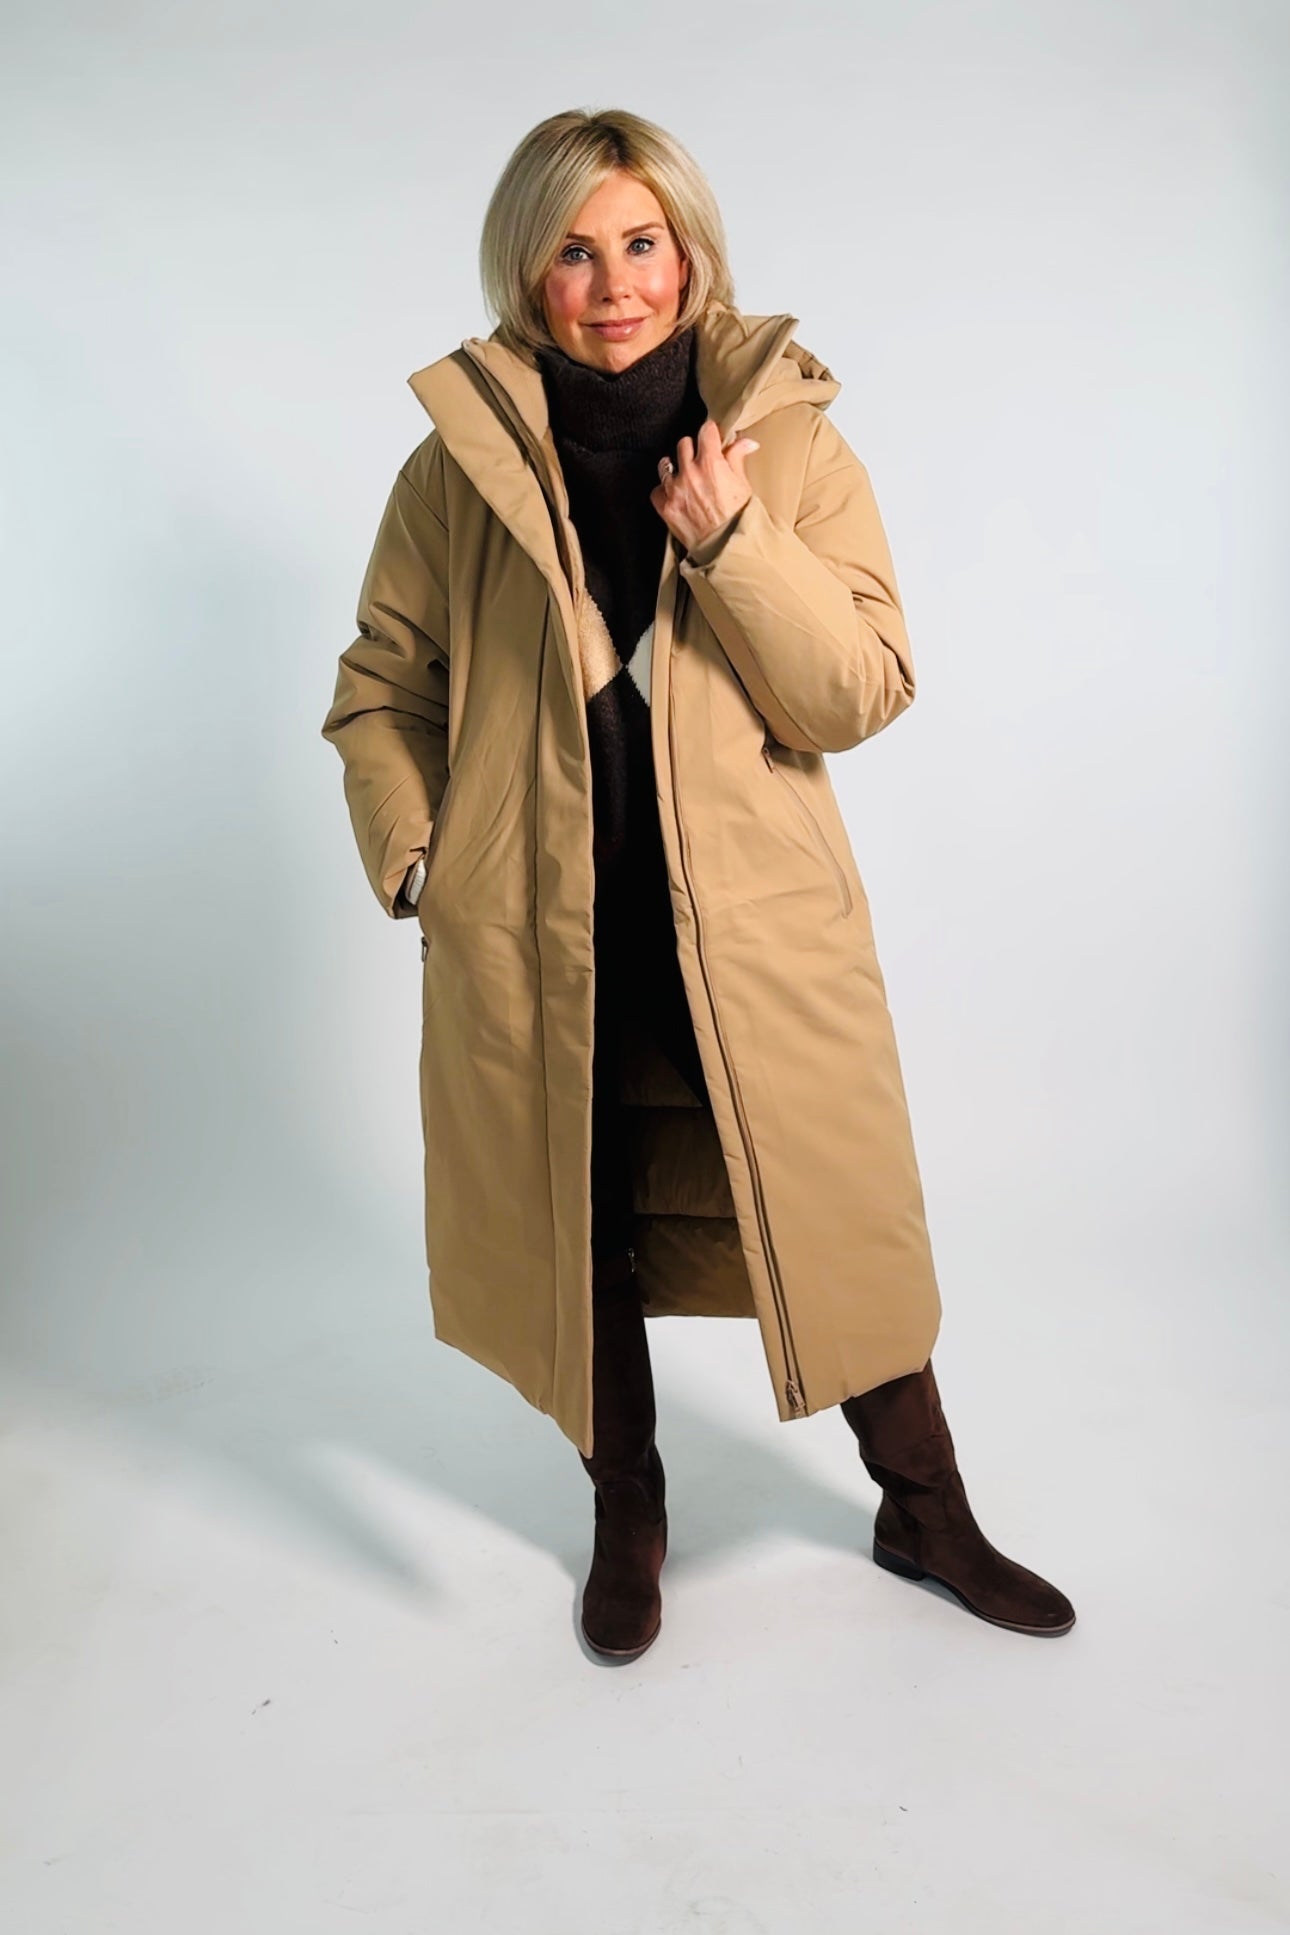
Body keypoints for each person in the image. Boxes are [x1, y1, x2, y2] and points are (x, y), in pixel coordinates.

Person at [321, 107, 1076, 1661]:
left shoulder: (786, 444)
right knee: (577, 1211)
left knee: (830, 1212)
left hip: (753, 931)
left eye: (641, 243)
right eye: (573, 252)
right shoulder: (452, 474)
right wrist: (421, 861)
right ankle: (629, 1513)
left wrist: (732, 541)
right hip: (540, 930)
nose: (614, 286)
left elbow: (856, 693)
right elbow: (382, 688)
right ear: (526, 273)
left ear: (690, 250)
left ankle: (923, 1508)